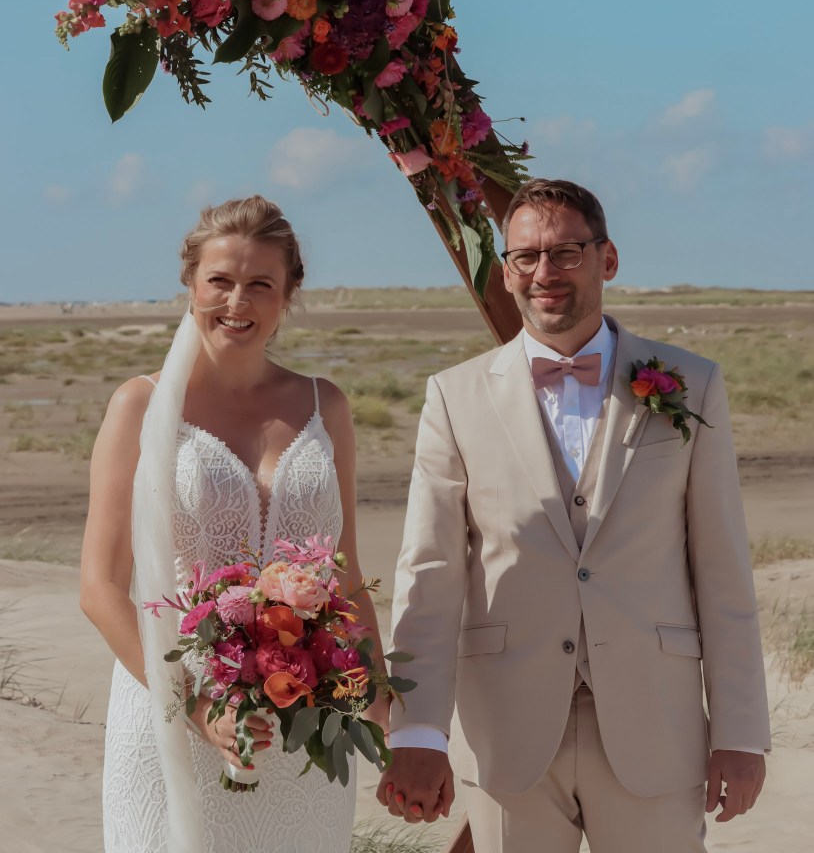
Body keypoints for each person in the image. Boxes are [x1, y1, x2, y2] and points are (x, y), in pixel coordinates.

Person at [377, 179, 770, 852]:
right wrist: (416, 729)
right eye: (526, 257)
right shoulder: (455, 396)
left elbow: (723, 569)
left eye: (565, 253)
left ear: (606, 259)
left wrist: (739, 731)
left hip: (657, 726)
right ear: (505, 271)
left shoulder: (690, 382)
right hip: (508, 731)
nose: (544, 274)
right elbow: (431, 574)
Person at [80, 196, 386, 853]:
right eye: (220, 280)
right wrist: (193, 706)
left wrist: (378, 698)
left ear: (288, 295)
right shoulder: (141, 405)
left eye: (260, 284)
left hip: (305, 726)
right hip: (172, 716)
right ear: (191, 283)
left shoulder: (323, 404)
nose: (236, 302)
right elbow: (100, 588)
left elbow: (346, 572)